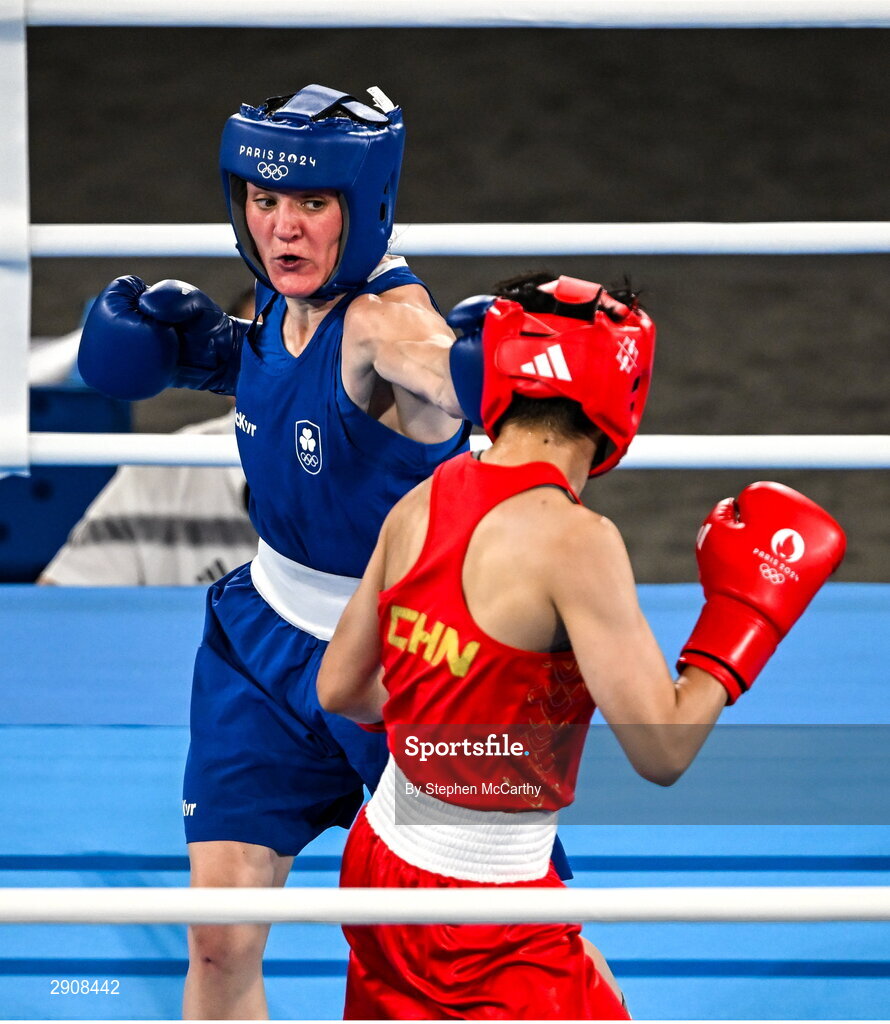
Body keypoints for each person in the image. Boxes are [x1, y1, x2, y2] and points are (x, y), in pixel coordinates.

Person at [75, 83, 504, 1019]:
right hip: (262, 647)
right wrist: (208, 353)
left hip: (406, 665)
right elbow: (285, 377)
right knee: (220, 941)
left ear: (365, 207)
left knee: (470, 948)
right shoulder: (278, 305)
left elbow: (440, 371)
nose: (284, 229)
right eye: (265, 202)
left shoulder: (389, 323)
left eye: (312, 204)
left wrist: (498, 373)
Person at [316, 272, 846, 1019]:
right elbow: (662, 751)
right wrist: (741, 625)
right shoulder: (577, 543)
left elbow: (340, 688)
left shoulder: (423, 496)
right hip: (486, 911)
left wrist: (452, 709)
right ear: (622, 392)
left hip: (380, 863)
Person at [40, 291, 258, 587]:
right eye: (262, 353)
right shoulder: (166, 468)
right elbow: (58, 606)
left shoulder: (342, 471)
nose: (290, 375)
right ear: (233, 370)